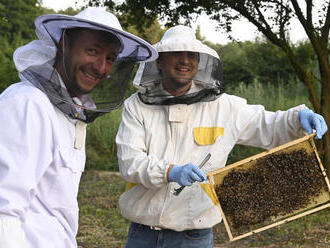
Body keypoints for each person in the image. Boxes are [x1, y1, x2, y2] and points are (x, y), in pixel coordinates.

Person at [115, 25, 328, 248]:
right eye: (176, 53)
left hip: (194, 235)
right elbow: (130, 162)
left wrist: (297, 117)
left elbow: (268, 125)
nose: (185, 61)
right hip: (143, 233)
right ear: (159, 61)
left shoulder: (224, 107)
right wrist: (170, 172)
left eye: (191, 55)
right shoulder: (136, 106)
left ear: (199, 63)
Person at [0, 7, 157, 248]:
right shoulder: (28, 103)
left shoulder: (72, 112)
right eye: (92, 51)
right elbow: (4, 211)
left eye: (110, 59)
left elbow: (52, 209)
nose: (101, 67)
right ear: (64, 44)